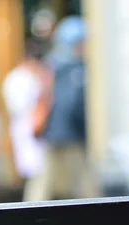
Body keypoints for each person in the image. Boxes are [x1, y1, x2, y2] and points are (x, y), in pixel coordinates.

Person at [34, 15, 96, 201]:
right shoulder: (72, 67)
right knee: (83, 184)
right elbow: (72, 103)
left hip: (54, 130)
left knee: (47, 181)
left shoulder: (52, 63)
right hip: (68, 132)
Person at [3, 40, 54, 202]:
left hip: (30, 128)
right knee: (36, 173)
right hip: (28, 128)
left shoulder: (23, 77)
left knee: (38, 173)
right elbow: (22, 107)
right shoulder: (21, 79)